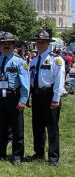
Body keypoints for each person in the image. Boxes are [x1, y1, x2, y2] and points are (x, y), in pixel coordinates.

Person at [0, 32, 29, 164]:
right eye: (3, 44)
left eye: (8, 44)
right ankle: (0, 152)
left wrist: (23, 100)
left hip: (13, 98)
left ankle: (17, 155)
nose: (6, 46)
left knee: (17, 128)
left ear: (13, 45)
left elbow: (25, 84)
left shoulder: (20, 62)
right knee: (0, 127)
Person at [29, 29, 65, 166]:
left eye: (43, 42)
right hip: (37, 96)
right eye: (38, 42)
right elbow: (31, 80)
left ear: (48, 43)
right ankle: (38, 153)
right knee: (37, 126)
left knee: (52, 128)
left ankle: (53, 157)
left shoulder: (56, 60)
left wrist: (56, 98)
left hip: (50, 96)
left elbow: (59, 81)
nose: (40, 44)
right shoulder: (33, 61)